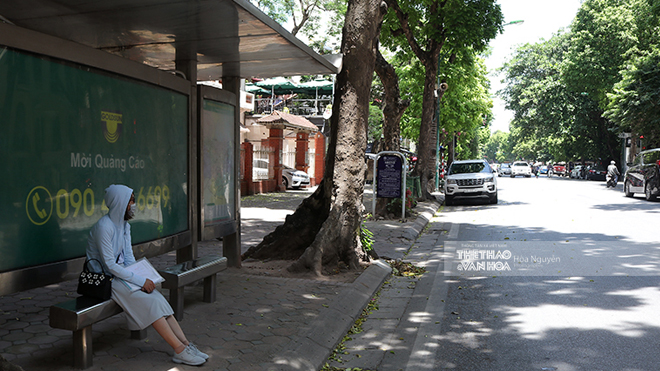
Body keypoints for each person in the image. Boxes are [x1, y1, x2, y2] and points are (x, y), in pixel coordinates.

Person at [86, 184, 208, 366]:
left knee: (158, 299)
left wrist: (143, 276)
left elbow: (128, 257)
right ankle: (179, 350)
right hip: (105, 279)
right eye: (131, 201)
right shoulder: (105, 227)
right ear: (121, 202)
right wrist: (140, 280)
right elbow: (109, 265)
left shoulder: (123, 225)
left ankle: (186, 344)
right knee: (150, 303)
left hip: (121, 275)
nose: (134, 205)